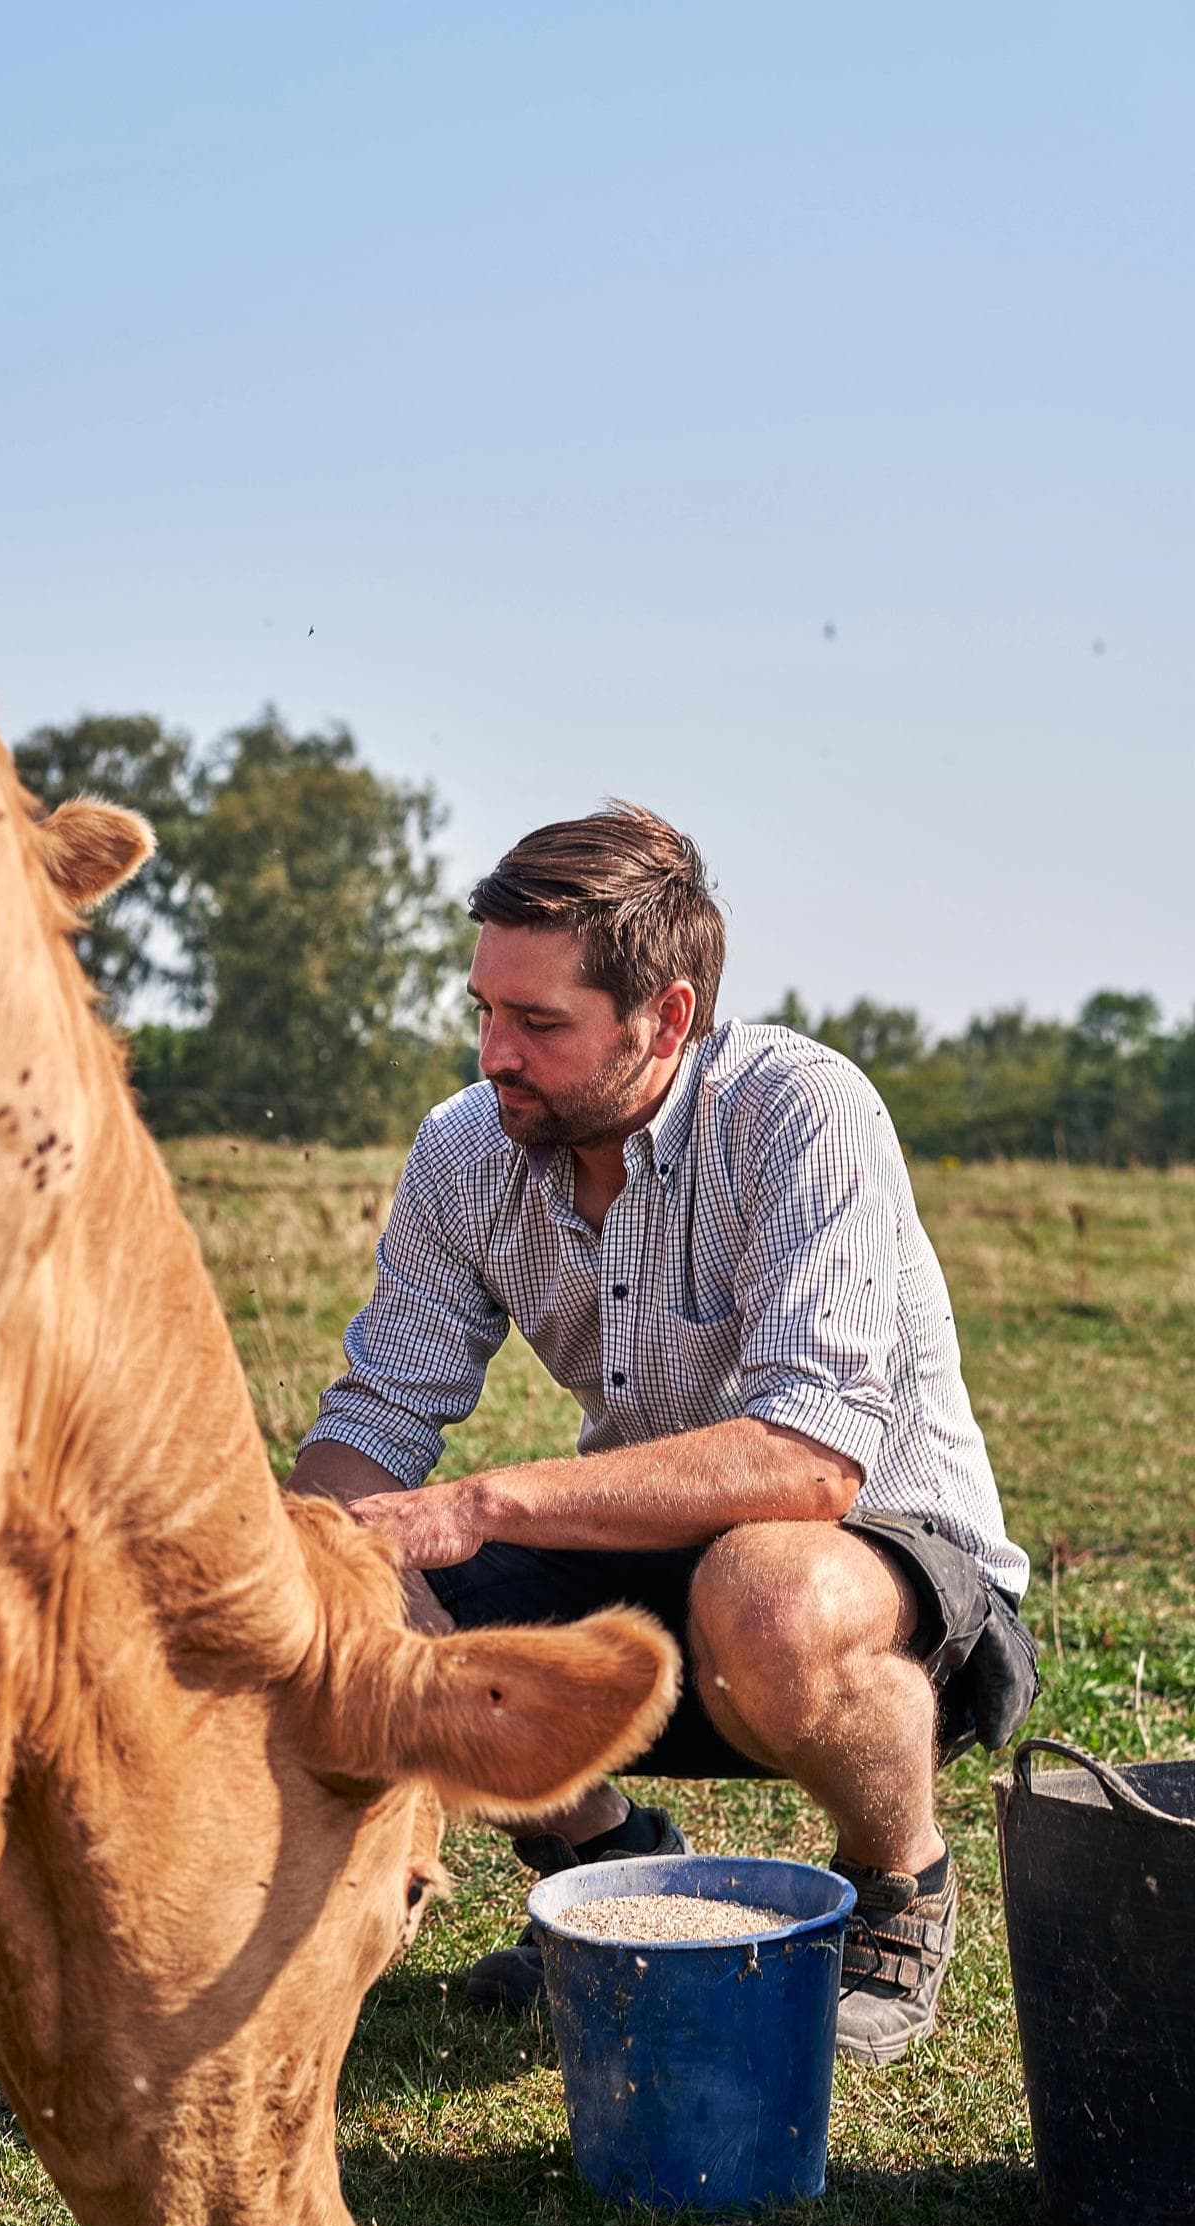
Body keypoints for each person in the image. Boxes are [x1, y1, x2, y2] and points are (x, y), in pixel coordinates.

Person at [288, 803, 1037, 2063]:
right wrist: (318, 1549)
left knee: (764, 1591)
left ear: (667, 1019)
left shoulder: (801, 1112)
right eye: (483, 1008)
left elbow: (809, 1460)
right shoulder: (466, 1151)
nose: (492, 1053)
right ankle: (604, 1863)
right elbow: (376, 1415)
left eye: (538, 1023)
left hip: (875, 1571)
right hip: (661, 1574)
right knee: (346, 1580)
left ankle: (896, 1888)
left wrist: (478, 1507)